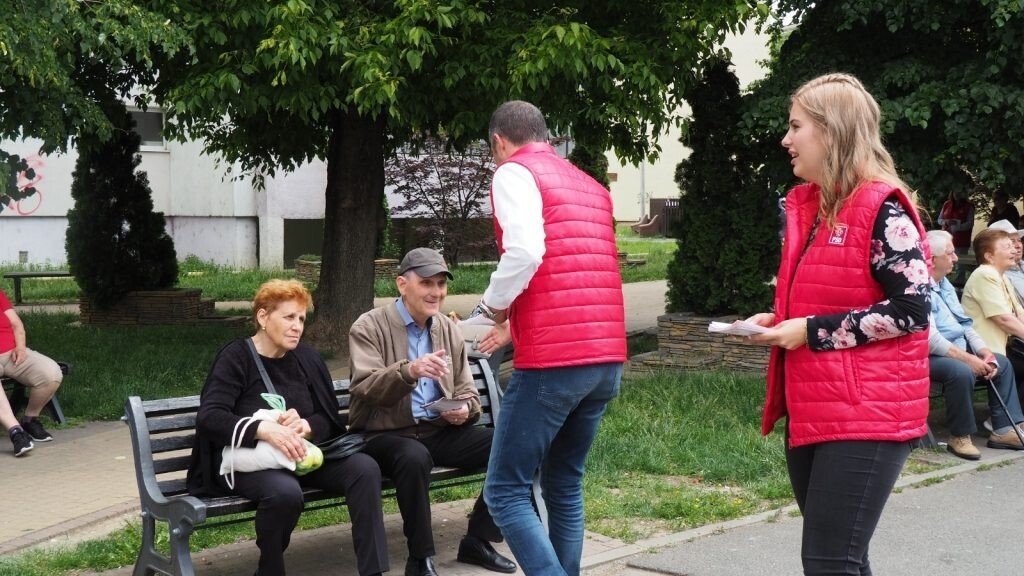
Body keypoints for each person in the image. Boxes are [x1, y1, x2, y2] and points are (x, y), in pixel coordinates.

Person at [746, 73, 931, 575]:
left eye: (795, 126)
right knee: (839, 560)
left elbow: (912, 310)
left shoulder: (882, 206)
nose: (785, 139)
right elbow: (836, 293)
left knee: (830, 562)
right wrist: (779, 319)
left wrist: (809, 330)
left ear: (832, 130)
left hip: (867, 410)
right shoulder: (812, 205)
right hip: (817, 404)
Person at [475, 100, 627, 576]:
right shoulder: (589, 185)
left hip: (554, 359)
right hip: (605, 355)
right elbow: (578, 267)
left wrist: (491, 306)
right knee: (564, 483)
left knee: (504, 492)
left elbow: (524, 252)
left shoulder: (514, 172)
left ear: (499, 141)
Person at [186, 280, 388, 576]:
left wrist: (306, 425)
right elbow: (210, 417)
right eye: (289, 317)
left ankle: (373, 571)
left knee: (364, 469)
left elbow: (328, 418)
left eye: (302, 319)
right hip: (252, 461)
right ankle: (269, 570)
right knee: (285, 494)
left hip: (300, 455)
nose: (297, 327)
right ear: (263, 317)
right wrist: (263, 429)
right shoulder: (236, 357)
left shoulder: (307, 358)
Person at [348, 247, 516, 576]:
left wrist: (464, 410)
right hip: (384, 435)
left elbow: (467, 390)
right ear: (402, 284)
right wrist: (409, 371)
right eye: (427, 283)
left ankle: (478, 540)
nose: (436, 292)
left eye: (441, 284)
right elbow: (365, 387)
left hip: (437, 430)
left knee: (511, 446)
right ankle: (420, 559)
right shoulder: (368, 326)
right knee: (413, 457)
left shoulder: (446, 327)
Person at [926, 230, 1024, 458]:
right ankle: (960, 436)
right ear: (932, 259)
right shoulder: (920, 287)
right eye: (950, 253)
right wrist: (969, 358)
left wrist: (984, 351)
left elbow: (965, 325)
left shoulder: (944, 284)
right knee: (961, 371)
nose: (956, 258)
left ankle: (1004, 430)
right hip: (929, 354)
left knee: (1001, 362)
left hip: (957, 348)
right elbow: (930, 340)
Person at [961, 228, 1024, 404]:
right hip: (985, 349)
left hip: (1007, 346)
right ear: (989, 256)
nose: (1014, 249)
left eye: (1013, 245)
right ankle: (1011, 416)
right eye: (1007, 246)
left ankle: (1014, 414)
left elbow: (1019, 314)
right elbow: (1003, 319)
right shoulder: (984, 274)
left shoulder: (1000, 276)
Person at [0, 287, 63, 450]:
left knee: (51, 373)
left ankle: (29, 420)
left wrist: (20, 347)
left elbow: (16, 324)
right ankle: (15, 432)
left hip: (11, 353)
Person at [987, 219, 1024, 306]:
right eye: (1012, 242)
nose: (1018, 245)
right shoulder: (995, 275)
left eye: (1019, 240)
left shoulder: (1021, 265)